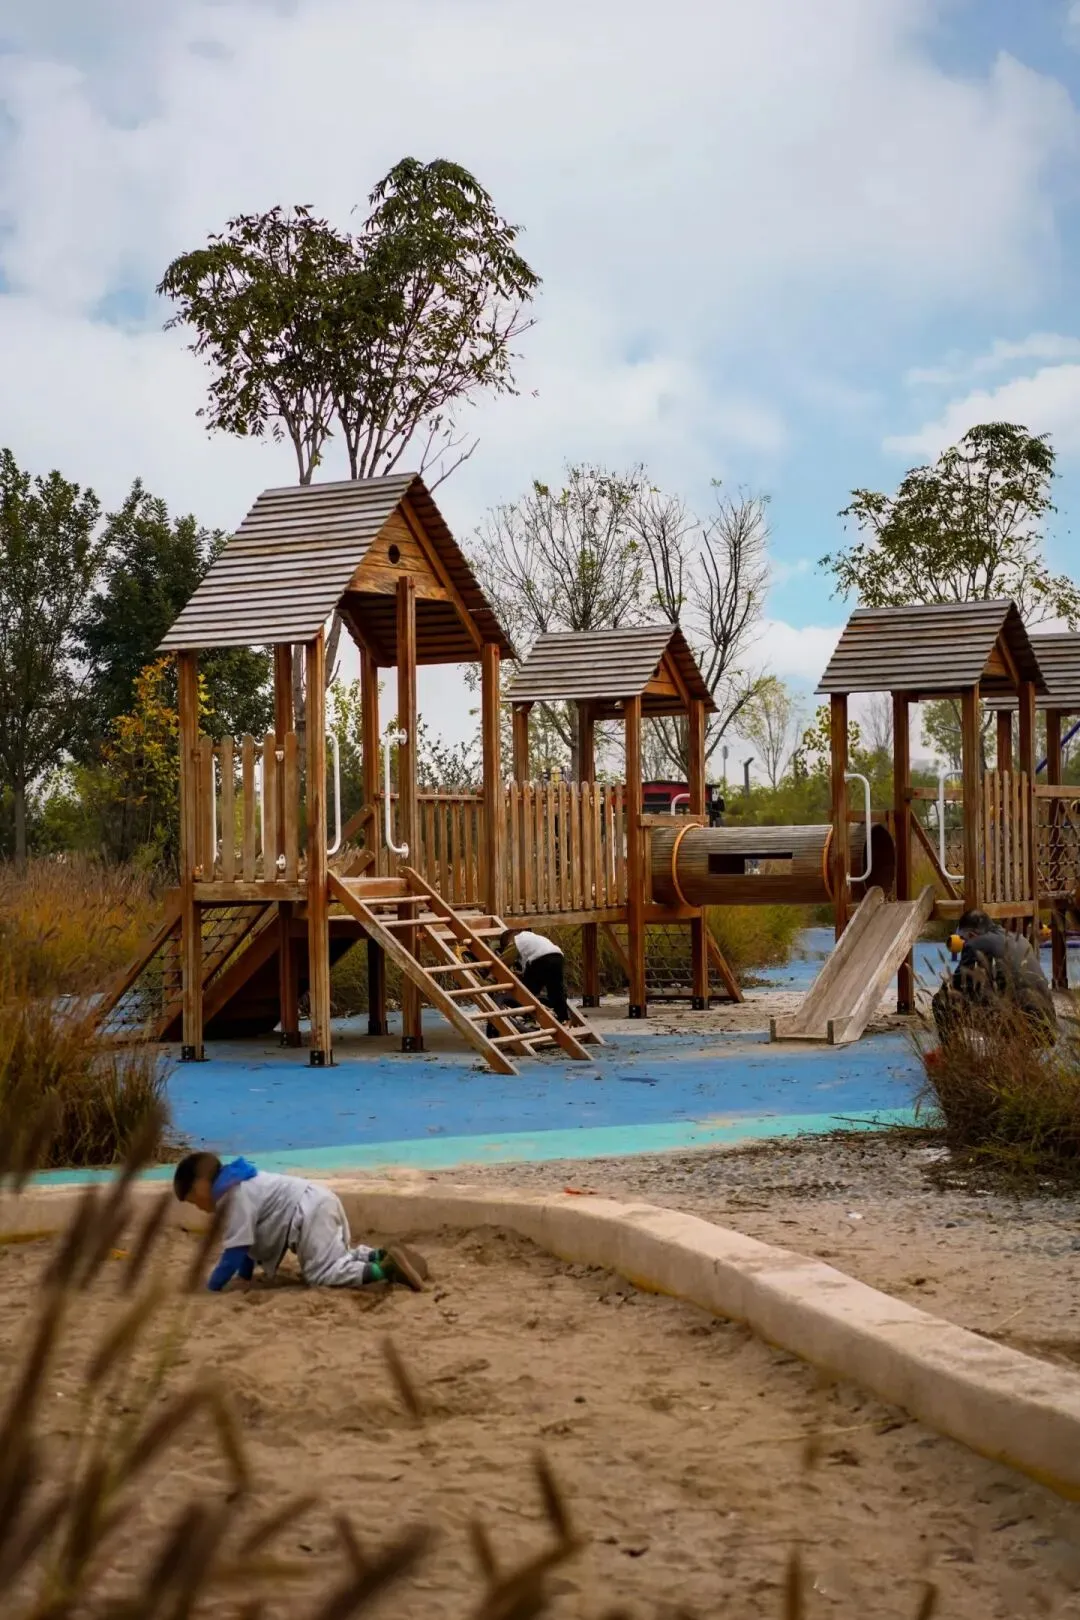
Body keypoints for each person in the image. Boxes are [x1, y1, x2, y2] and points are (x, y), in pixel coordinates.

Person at [173, 1153, 427, 1293]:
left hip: (308, 1213)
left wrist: (212, 1287)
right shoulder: (239, 1182)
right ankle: (378, 1255)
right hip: (318, 1199)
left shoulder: (231, 1197)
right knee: (336, 1257)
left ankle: (385, 1269)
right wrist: (245, 1277)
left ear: (200, 1185)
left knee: (321, 1274)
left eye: (194, 1200)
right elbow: (247, 1244)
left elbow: (236, 1250)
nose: (198, 1207)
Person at [931, 909, 1057, 1046]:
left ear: (971, 934)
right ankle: (1013, 1051)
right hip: (1047, 1029)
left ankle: (950, 1051)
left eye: (964, 939)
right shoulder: (1021, 939)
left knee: (941, 1000)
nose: (964, 943)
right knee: (1004, 997)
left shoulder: (974, 942)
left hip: (1020, 1026)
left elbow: (958, 986)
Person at [501, 928, 571, 1024]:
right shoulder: (533, 938)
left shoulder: (517, 940)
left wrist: (491, 977)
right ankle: (563, 1017)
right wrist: (523, 974)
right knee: (555, 989)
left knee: (527, 991)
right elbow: (532, 965)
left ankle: (526, 1014)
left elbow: (504, 961)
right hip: (557, 956)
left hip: (540, 960)